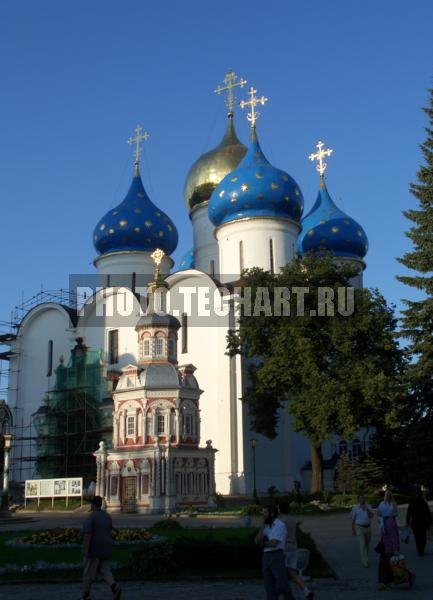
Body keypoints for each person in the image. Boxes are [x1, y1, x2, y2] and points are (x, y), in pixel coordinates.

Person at [82, 495, 121, 600]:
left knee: (88, 573)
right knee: (105, 571)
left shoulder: (90, 518)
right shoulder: (107, 516)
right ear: (101, 504)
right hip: (106, 548)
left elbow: (87, 535)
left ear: (92, 505)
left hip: (94, 549)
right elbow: (111, 529)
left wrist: (86, 550)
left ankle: (86, 595)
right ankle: (114, 587)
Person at [255, 504, 295, 600]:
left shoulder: (280, 525)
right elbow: (256, 540)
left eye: (265, 512)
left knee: (282, 584)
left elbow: (274, 543)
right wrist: (262, 527)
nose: (263, 515)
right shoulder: (266, 526)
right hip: (266, 556)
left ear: (272, 514)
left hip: (277, 556)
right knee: (268, 585)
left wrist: (263, 544)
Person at [377, 490, 415, 590]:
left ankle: (387, 582)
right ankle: (384, 582)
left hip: (389, 548)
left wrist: (396, 548)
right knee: (388, 565)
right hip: (386, 547)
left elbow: (394, 536)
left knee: (391, 566)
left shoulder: (388, 521)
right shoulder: (384, 521)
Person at [278, 501, 314, 599]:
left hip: (285, 548)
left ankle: (283, 595)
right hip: (294, 548)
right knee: (293, 573)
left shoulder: (280, 521)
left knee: (281, 574)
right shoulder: (292, 520)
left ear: (279, 509)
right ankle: (306, 591)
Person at [406, 488, 432, 556]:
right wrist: (429, 522)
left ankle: (419, 549)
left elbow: (409, 512)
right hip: (423, 523)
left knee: (417, 537)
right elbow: (428, 513)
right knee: (423, 536)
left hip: (415, 522)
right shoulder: (423, 502)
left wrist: (407, 521)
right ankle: (422, 548)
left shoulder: (413, 502)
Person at [351, 494, 374, 567]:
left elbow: (371, 516)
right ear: (358, 500)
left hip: (368, 527)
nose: (362, 500)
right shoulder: (355, 508)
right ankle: (364, 561)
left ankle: (365, 557)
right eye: (361, 499)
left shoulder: (369, 506)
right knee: (362, 544)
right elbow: (353, 520)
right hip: (359, 528)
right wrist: (353, 530)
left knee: (367, 544)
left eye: (363, 499)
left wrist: (367, 509)